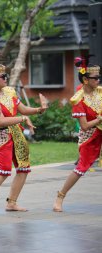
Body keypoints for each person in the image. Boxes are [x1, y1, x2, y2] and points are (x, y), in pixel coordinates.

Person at [0, 50, 48, 218]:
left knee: (23, 168)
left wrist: (39, 110)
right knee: (4, 170)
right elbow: (0, 122)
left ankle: (12, 202)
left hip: (16, 133)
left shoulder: (10, 92)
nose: (6, 79)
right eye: (3, 77)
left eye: (6, 76)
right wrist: (22, 119)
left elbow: (22, 109)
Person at [53, 56, 101, 212]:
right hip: (91, 136)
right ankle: (60, 196)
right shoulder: (78, 100)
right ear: (86, 80)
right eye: (95, 78)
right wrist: (100, 118)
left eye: (99, 77)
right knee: (81, 167)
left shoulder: (99, 91)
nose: (98, 80)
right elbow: (85, 126)